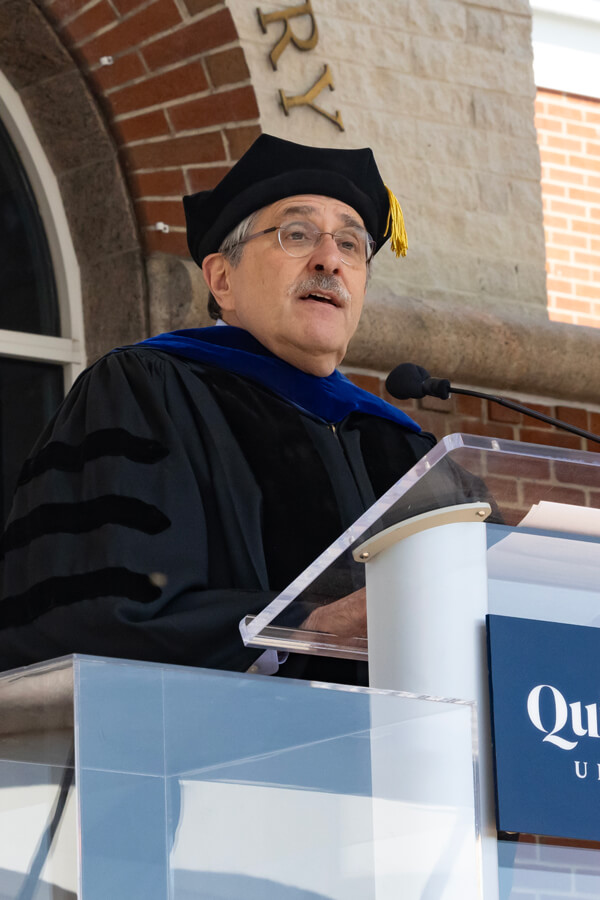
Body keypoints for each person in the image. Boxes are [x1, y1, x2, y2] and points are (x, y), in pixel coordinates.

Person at [0, 134, 437, 682]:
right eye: (297, 234)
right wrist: (303, 627)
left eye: (351, 245)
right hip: (214, 756)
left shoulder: (403, 449)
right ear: (222, 280)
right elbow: (93, 614)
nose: (330, 259)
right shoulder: (144, 392)